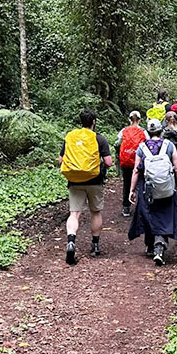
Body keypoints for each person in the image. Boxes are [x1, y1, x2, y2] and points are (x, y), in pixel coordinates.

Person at [128, 118, 177, 266]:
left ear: (148, 132)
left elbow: (136, 171)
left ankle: (150, 245)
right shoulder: (169, 145)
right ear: (161, 131)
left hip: (147, 188)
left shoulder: (141, 147)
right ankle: (159, 244)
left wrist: (132, 190)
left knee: (149, 213)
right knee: (164, 213)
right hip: (166, 187)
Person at [59, 108, 113, 265]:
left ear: (81, 121)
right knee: (95, 212)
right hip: (95, 181)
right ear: (94, 122)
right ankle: (95, 246)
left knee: (74, 213)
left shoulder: (70, 136)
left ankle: (71, 242)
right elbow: (108, 162)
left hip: (74, 181)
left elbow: (60, 160)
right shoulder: (99, 139)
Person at [115, 111, 147, 218]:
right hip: (139, 162)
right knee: (140, 184)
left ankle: (126, 208)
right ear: (139, 120)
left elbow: (117, 144)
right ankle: (140, 208)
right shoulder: (143, 132)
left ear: (129, 119)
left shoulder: (123, 131)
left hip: (126, 162)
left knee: (127, 183)